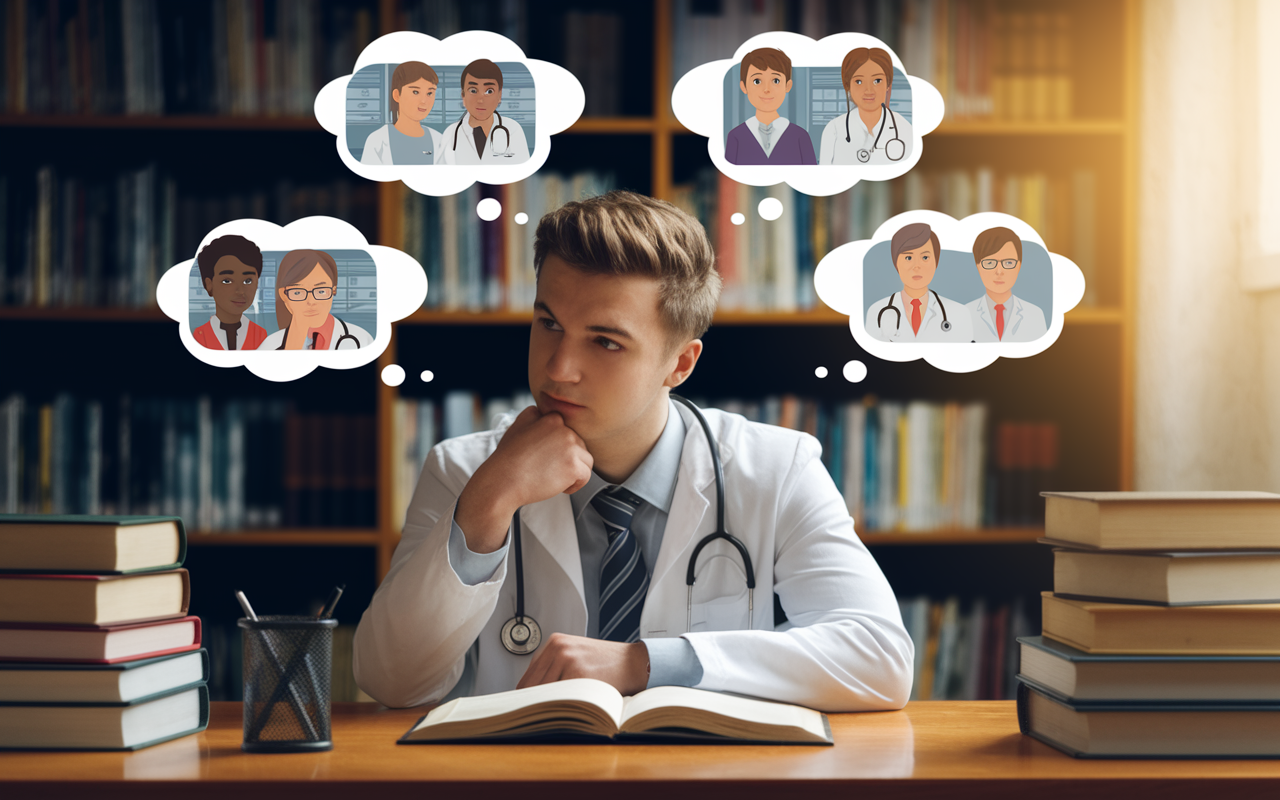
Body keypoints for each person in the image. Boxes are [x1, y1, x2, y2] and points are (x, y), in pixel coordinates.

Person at [353, 191, 912, 713]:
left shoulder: (776, 469)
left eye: (605, 341)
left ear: (680, 364)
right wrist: (490, 502)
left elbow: (880, 658)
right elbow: (391, 680)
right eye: (548, 323)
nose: (556, 369)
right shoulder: (466, 471)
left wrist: (642, 663)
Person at [865, 222, 973, 342]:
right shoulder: (877, 312)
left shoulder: (959, 313)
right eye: (908, 258)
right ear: (896, 263)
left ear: (936, 262)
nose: (916, 266)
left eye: (925, 257)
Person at [260, 249, 374, 351]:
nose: (311, 302)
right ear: (283, 295)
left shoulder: (362, 340)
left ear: (333, 290)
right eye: (297, 292)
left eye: (321, 291)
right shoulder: (269, 347)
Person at [819, 47, 913, 165]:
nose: (869, 90)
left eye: (877, 81)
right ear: (847, 85)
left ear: (888, 83)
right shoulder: (833, 130)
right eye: (859, 82)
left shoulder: (904, 129)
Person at [724, 47, 817, 166]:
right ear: (744, 87)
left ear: (788, 86)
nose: (767, 89)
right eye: (757, 81)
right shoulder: (736, 136)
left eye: (776, 81)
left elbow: (811, 178)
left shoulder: (800, 137)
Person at [965, 227, 1049, 343]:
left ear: (1019, 266)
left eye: (1008, 262)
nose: (999, 271)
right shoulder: (964, 314)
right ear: (978, 266)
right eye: (990, 263)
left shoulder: (1035, 315)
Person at [441, 59, 530, 165]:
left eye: (489, 91)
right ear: (463, 96)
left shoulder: (513, 130)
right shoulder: (450, 134)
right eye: (473, 90)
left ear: (499, 95)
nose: (480, 100)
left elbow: (523, 174)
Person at [192, 235, 269, 351]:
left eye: (248, 281)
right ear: (209, 285)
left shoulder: (261, 335)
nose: (240, 291)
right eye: (227, 281)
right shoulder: (197, 336)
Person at [360, 61, 444, 166]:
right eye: (415, 92)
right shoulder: (377, 141)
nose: (424, 101)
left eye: (430, 93)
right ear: (397, 95)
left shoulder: (439, 140)